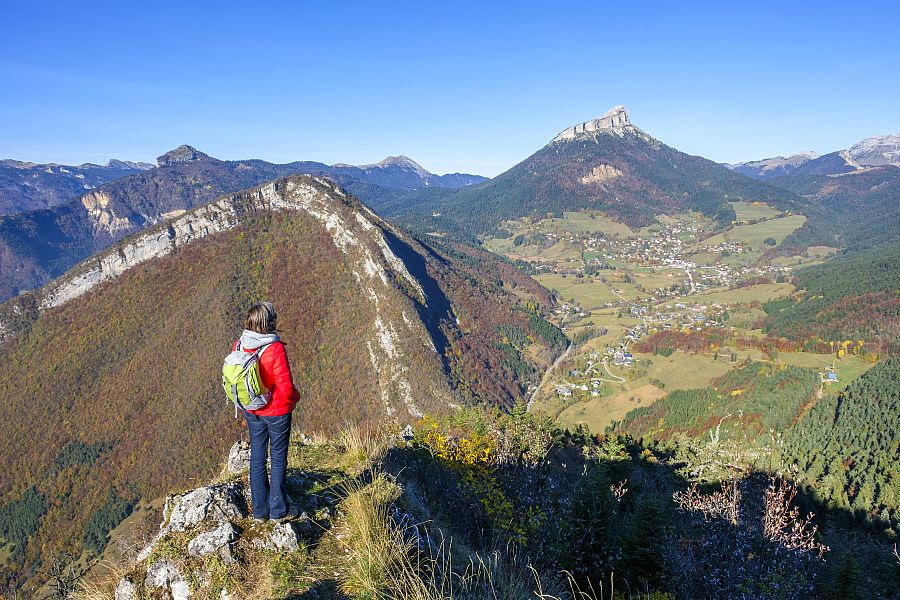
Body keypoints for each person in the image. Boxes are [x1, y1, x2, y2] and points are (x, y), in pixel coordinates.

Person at [233, 301, 300, 522]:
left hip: (252, 410)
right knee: (279, 458)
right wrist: (294, 400)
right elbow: (285, 386)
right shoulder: (275, 348)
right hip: (277, 412)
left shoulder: (240, 345)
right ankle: (278, 511)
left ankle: (260, 512)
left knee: (257, 458)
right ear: (268, 323)